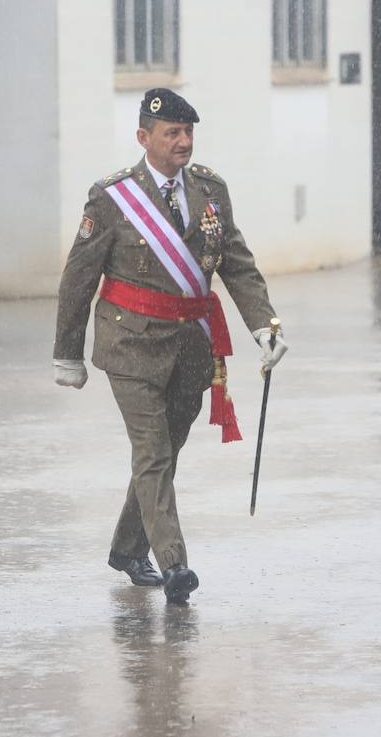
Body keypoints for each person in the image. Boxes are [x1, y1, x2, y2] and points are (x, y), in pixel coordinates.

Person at [53, 88, 288, 604]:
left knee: (168, 448)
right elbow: (79, 276)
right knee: (153, 451)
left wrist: (263, 325)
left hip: (190, 347)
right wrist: (67, 351)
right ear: (144, 138)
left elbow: (237, 263)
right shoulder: (112, 198)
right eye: (172, 134)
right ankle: (175, 565)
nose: (184, 143)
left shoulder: (209, 189)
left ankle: (127, 548)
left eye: (188, 133)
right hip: (130, 344)